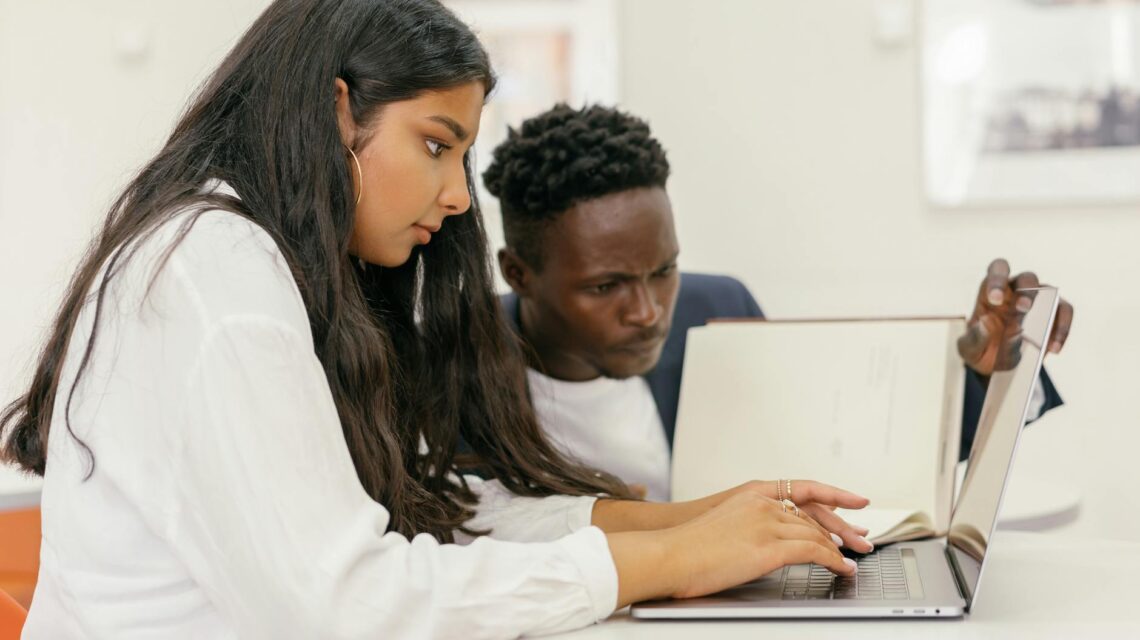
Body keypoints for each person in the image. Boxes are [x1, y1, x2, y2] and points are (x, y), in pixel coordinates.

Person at [0, 2, 875, 638]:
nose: (458, 197)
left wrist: (693, 523)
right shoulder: (213, 272)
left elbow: (430, 517)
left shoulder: (270, 263)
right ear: (339, 112)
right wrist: (669, 563)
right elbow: (342, 605)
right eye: (435, 144)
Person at [483, 104, 1073, 502]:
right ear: (519, 274)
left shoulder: (712, 309)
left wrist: (988, 376)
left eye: (663, 270)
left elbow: (847, 460)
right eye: (605, 286)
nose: (647, 311)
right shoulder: (448, 370)